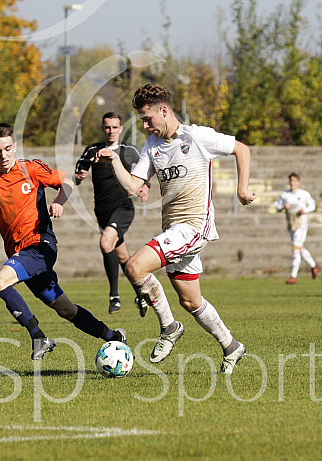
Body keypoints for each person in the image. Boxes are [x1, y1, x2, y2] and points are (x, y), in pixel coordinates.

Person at [95, 83, 256, 374]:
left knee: (134, 268)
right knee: (190, 300)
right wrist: (115, 160)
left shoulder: (197, 136)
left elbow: (241, 150)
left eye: (147, 118)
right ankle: (231, 346)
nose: (145, 126)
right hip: (174, 229)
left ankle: (169, 328)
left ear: (164, 110)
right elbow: (133, 186)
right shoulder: (152, 146)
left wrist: (241, 190)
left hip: (193, 226)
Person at [0, 122, 126, 360]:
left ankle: (38, 337)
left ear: (14, 146)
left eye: (7, 149)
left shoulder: (30, 169)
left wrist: (59, 202)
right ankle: (113, 337)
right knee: (66, 309)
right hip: (19, 252)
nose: (3, 155)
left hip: (41, 245)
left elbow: (66, 182)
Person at [74, 112, 151, 315]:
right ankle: (141, 294)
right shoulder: (93, 150)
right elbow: (80, 169)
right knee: (124, 257)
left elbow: (146, 168)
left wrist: (146, 186)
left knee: (105, 243)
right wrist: (80, 176)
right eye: (107, 127)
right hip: (101, 212)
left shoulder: (128, 150)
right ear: (102, 129)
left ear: (120, 129)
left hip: (123, 208)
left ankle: (114, 296)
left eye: (115, 127)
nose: (111, 131)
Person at [275, 173, 319, 284]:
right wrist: (283, 208)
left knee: (295, 248)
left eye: (294, 181)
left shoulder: (303, 194)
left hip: (301, 222)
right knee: (299, 248)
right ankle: (313, 266)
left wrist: (306, 210)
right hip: (291, 222)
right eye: (290, 180)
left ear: (298, 182)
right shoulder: (285, 195)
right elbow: (278, 207)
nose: (292, 183)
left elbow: (312, 205)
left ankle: (293, 276)